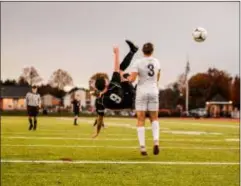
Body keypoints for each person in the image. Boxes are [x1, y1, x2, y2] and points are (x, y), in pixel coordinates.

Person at [92, 40, 138, 137]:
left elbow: (100, 118)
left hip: (128, 103)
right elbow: (116, 68)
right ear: (105, 83)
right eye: (105, 79)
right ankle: (133, 51)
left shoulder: (99, 101)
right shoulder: (113, 85)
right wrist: (116, 53)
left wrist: (97, 132)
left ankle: (133, 51)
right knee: (123, 73)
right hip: (132, 96)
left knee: (122, 74)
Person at [128, 42, 161, 156]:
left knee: (141, 119)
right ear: (152, 51)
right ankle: (156, 141)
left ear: (143, 51)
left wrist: (126, 77)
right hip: (153, 91)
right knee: (154, 118)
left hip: (142, 91)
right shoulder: (157, 62)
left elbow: (132, 79)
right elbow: (157, 77)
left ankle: (142, 147)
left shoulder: (138, 62)